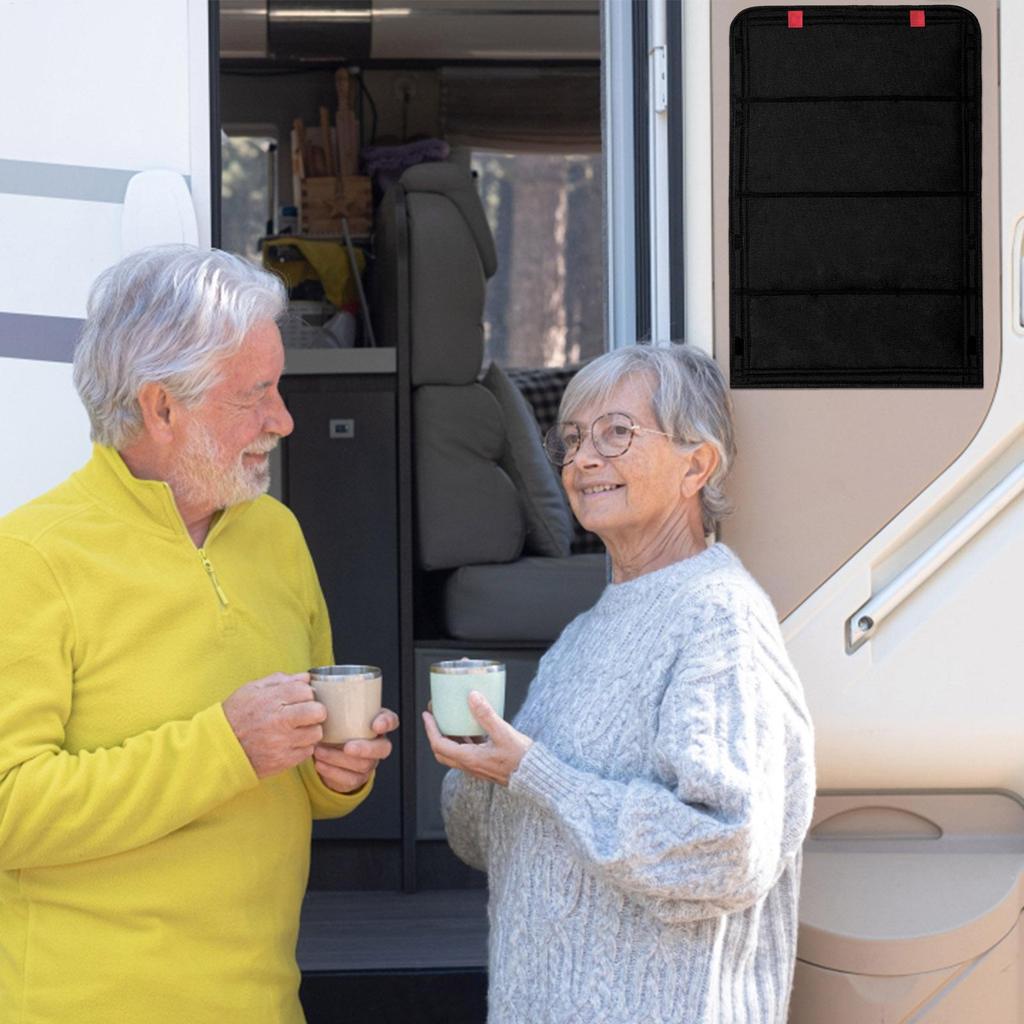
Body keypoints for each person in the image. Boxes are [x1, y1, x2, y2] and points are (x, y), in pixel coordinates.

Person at [0, 245, 399, 1023]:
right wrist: (225, 746)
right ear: (161, 408)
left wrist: (339, 772)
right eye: (256, 394)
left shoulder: (276, 534)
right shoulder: (30, 557)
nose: (283, 420)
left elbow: (304, 781)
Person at [424, 343, 815, 1024]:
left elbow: (724, 850)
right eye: (573, 439)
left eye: (616, 434)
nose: (583, 460)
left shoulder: (719, 617)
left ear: (697, 465)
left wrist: (537, 774)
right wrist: (478, 769)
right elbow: (492, 844)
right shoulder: (583, 636)